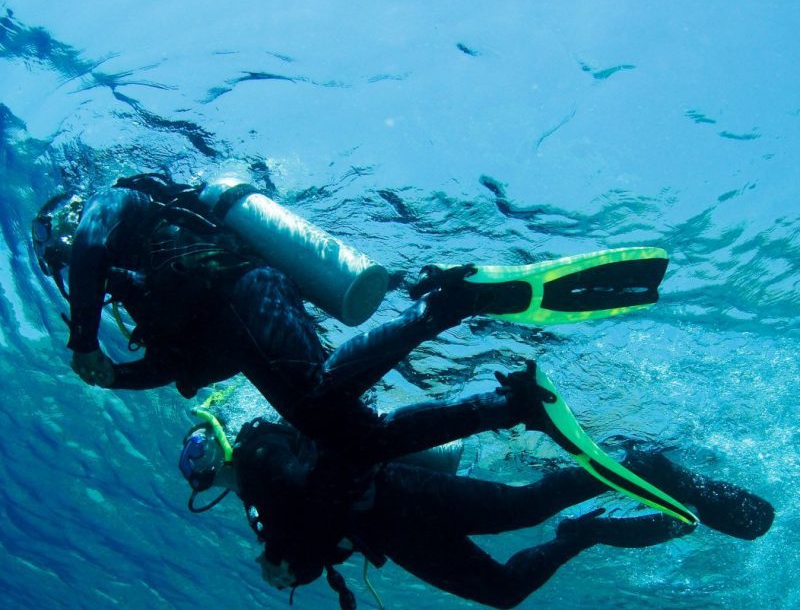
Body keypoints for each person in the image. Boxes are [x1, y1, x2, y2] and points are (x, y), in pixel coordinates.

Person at [31, 172, 669, 464]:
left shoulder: (117, 202)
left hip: (247, 289)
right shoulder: (126, 288)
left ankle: (455, 301)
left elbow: (88, 239)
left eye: (57, 225)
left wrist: (83, 338)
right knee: (350, 441)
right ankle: (512, 405)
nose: (61, 246)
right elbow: (174, 363)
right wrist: (117, 375)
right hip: (239, 338)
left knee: (315, 396)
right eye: (51, 246)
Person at [177, 369, 775, 610]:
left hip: (399, 493)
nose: (201, 454)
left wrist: (282, 551)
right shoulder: (256, 510)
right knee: (505, 592)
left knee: (525, 506)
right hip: (393, 535)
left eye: (200, 442)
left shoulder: (258, 446)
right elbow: (311, 556)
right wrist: (287, 566)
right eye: (193, 460)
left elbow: (305, 482)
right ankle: (586, 531)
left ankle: (636, 463)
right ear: (202, 486)